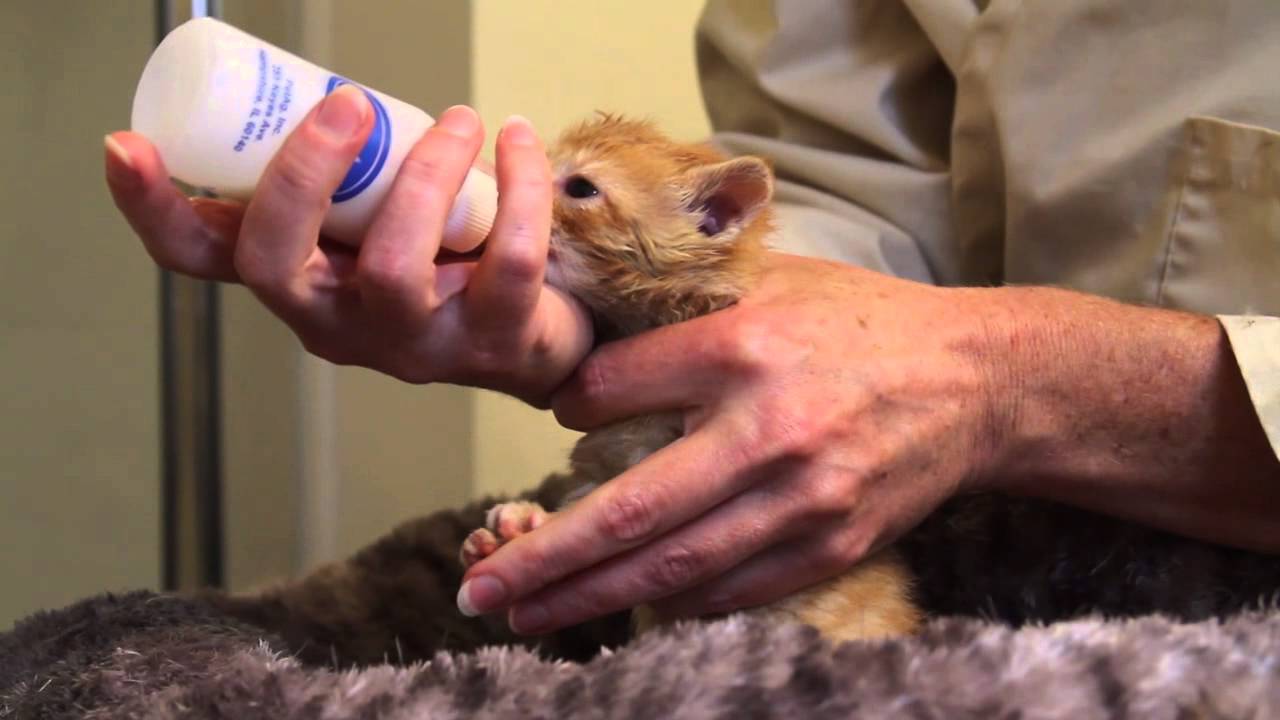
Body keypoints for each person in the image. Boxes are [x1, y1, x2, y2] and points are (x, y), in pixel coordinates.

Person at [105, 0, 1280, 636]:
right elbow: (838, 190)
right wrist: (595, 334)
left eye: (572, 190)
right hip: (984, 561)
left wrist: (1007, 376)